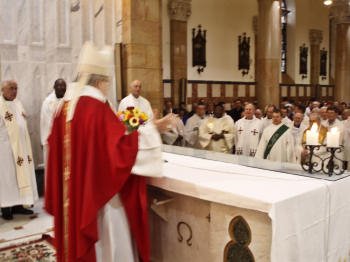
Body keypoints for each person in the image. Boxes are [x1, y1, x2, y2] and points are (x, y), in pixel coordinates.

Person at [45, 43, 147, 262]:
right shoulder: (98, 110)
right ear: (101, 81)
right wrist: (145, 132)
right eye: (108, 82)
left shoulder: (63, 109)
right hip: (98, 200)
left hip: (73, 197)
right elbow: (119, 152)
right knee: (108, 245)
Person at [0, 80, 38, 220]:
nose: (14, 91)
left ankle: (19, 205)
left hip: (21, 148)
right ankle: (6, 208)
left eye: (16, 88)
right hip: (5, 150)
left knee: (19, 177)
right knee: (7, 179)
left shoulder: (18, 103)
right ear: (2, 90)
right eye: (11, 88)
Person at [40, 78, 66, 167]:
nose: (61, 88)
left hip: (65, 140)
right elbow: (49, 123)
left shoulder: (67, 100)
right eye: (59, 85)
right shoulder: (48, 102)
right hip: (51, 139)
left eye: (63, 86)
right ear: (54, 87)